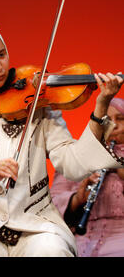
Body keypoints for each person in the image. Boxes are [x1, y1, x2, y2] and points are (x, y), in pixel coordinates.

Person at [0, 20, 123, 257]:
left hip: (34, 224)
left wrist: (101, 106)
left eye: (1, 54)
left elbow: (73, 165)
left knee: (51, 250)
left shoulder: (36, 100)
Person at [51, 97, 124, 257]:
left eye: (120, 119)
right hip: (80, 238)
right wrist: (76, 199)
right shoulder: (77, 156)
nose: (115, 125)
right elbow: (51, 205)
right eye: (107, 120)